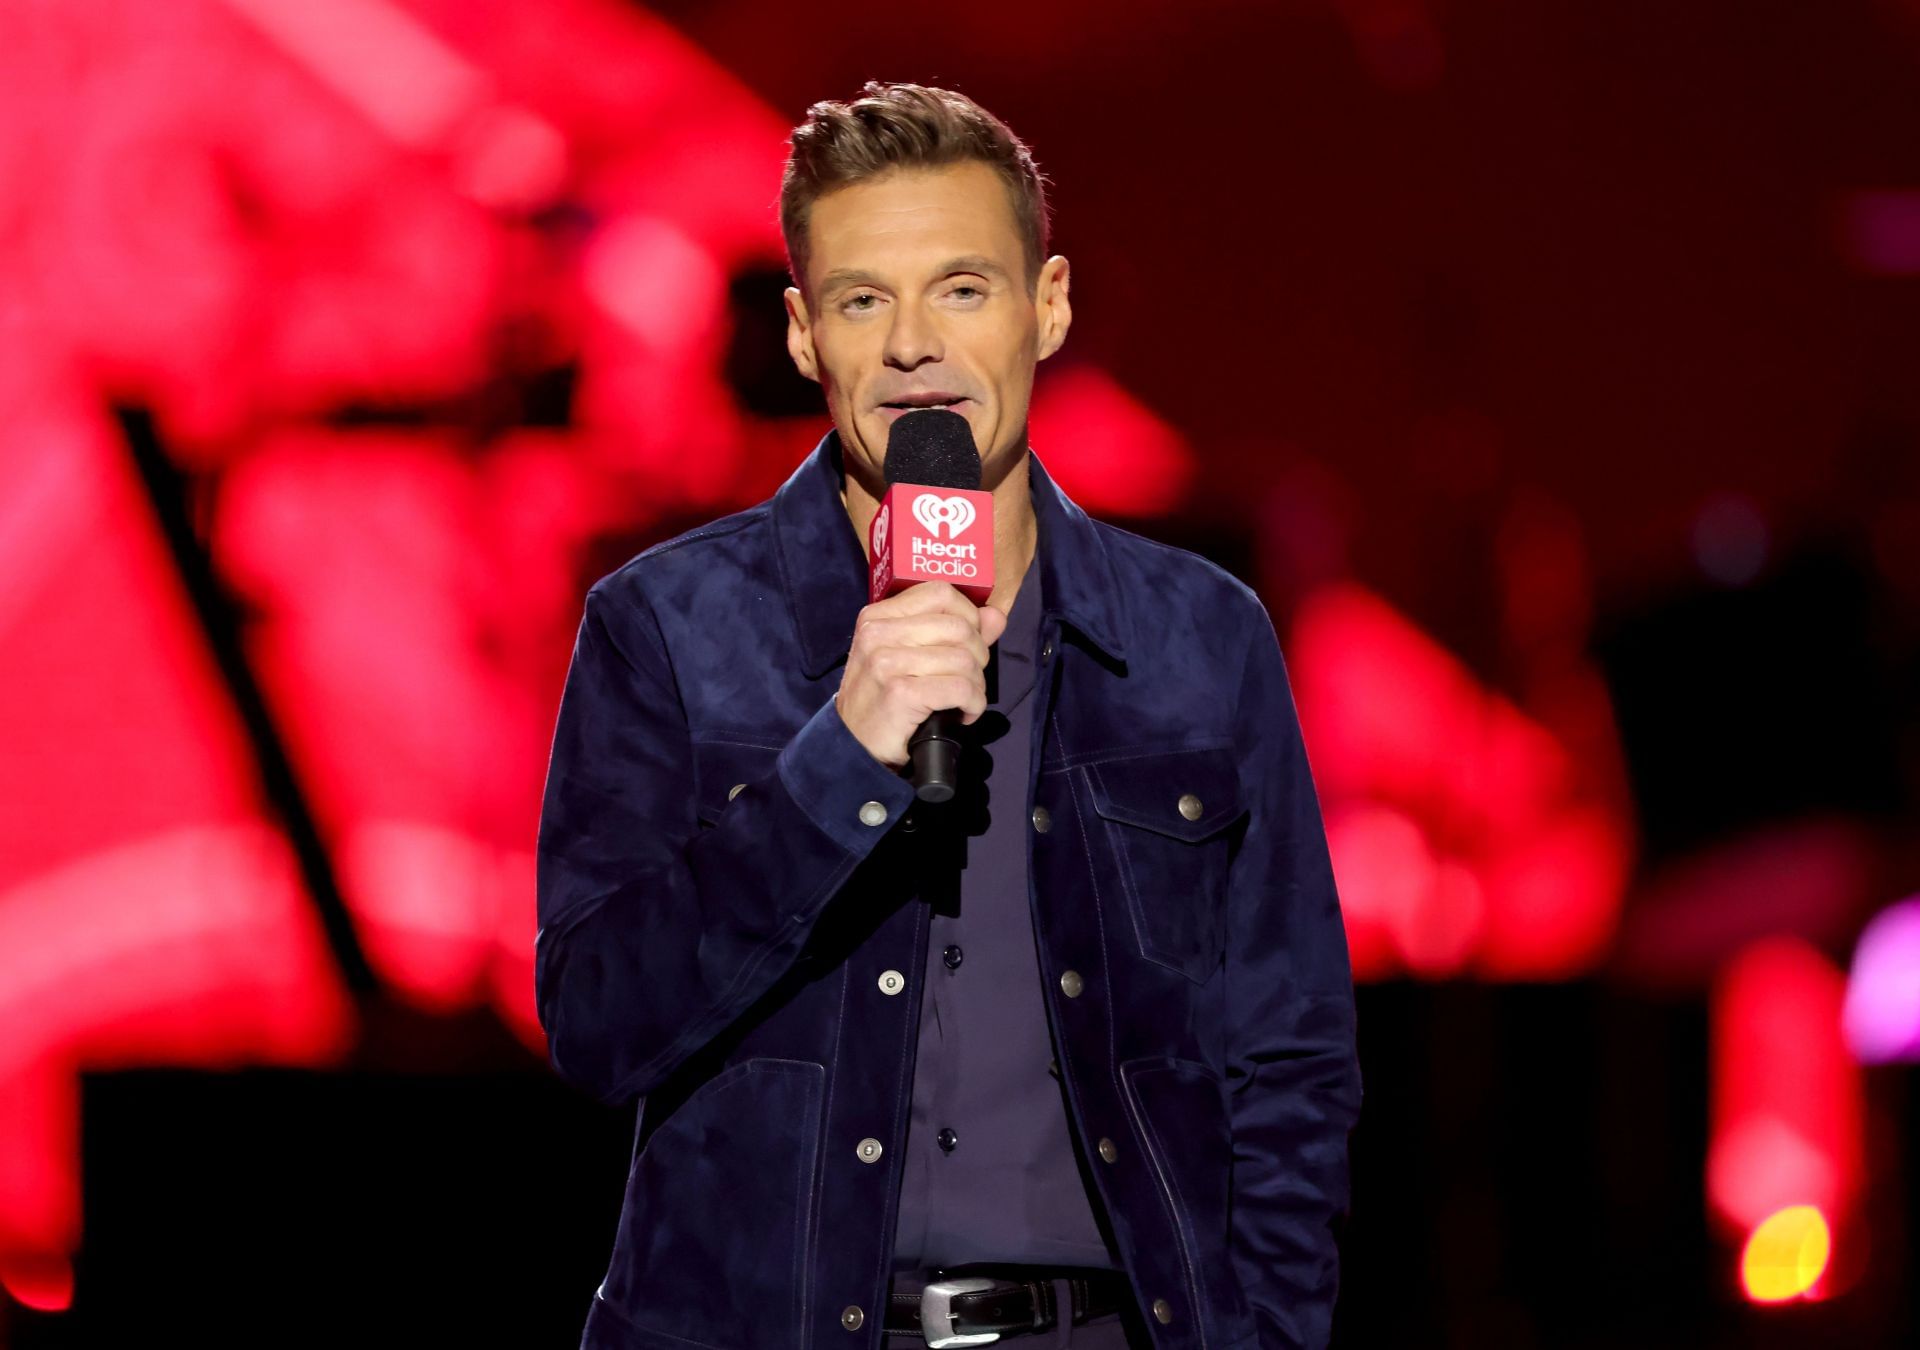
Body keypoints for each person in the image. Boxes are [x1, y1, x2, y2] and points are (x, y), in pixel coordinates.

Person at [536, 81, 1361, 1350]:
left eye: (964, 289)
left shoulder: (1200, 640)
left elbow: (1288, 1058)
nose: (914, 345)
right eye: (866, 300)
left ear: (1050, 306)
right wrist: (836, 762)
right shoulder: (666, 629)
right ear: (808, 336)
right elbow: (597, 1023)